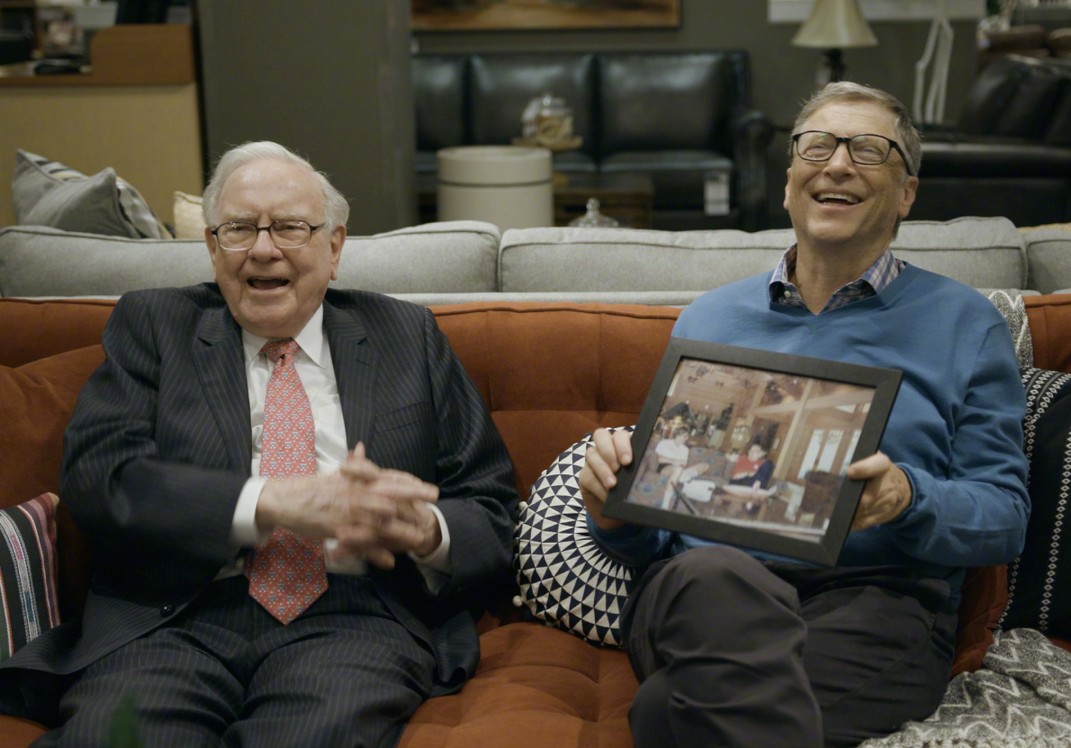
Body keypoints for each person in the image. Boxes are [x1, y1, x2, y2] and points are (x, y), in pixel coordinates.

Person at [0, 141, 518, 746]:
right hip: (173, 620)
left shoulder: (407, 335)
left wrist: (425, 530)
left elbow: (492, 506)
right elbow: (100, 478)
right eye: (240, 228)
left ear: (334, 247)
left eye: (291, 227)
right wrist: (269, 501)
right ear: (212, 246)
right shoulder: (154, 325)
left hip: (354, 617)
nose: (264, 249)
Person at [580, 82, 1030, 748]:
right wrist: (616, 513)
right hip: (703, 590)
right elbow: (657, 533)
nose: (838, 164)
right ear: (790, 182)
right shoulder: (709, 319)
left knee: (671, 713)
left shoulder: (966, 324)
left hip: (872, 600)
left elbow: (1004, 520)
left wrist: (909, 498)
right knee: (711, 576)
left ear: (906, 193)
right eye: (817, 146)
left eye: (868, 150)